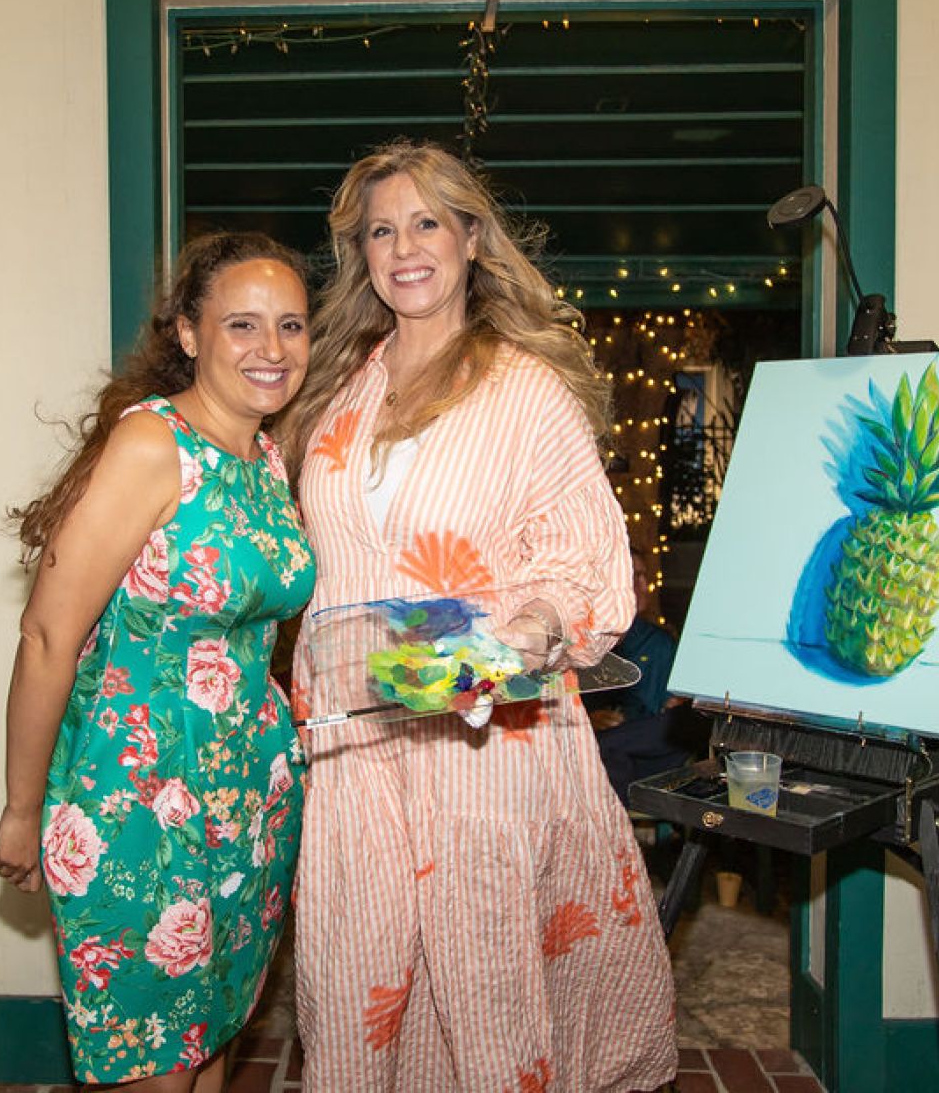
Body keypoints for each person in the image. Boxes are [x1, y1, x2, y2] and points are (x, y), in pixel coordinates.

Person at [277, 142, 677, 1092]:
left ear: (470, 238)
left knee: (485, 980)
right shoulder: (335, 390)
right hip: (354, 743)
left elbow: (580, 559)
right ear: (361, 254)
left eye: (426, 222)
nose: (403, 247)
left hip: (484, 738)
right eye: (381, 229)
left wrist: (520, 639)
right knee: (355, 978)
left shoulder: (524, 389)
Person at [0, 232, 316, 1091]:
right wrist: (24, 807)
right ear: (187, 334)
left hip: (244, 804)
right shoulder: (152, 446)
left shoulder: (265, 456)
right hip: (136, 802)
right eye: (241, 324)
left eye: (292, 326)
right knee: (152, 1066)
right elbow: (48, 637)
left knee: (209, 1046)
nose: (271, 349)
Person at [591, 549, 693, 806]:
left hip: (651, 750)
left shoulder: (657, 643)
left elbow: (661, 712)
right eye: (634, 576)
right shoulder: (589, 641)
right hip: (606, 752)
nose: (645, 587)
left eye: (645, 576)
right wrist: (591, 720)